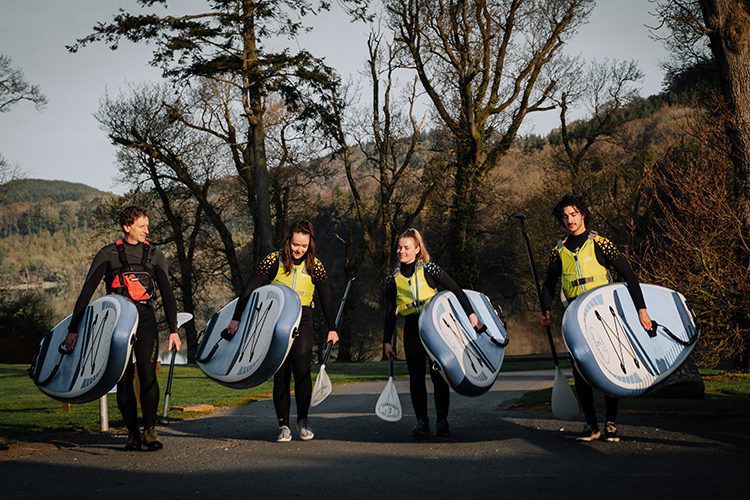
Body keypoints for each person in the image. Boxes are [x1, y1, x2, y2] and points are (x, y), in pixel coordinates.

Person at [63, 205, 180, 451]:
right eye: (142, 226)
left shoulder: (155, 255)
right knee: (123, 378)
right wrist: (73, 329)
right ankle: (131, 434)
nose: (147, 230)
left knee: (147, 374)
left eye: (147, 225)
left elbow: (168, 295)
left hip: (146, 319)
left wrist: (173, 329)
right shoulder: (108, 254)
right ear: (127, 227)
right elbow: (86, 293)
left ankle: (150, 430)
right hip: (118, 323)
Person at [540, 194, 652, 443]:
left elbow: (628, 274)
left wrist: (641, 309)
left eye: (574, 214)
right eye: (565, 216)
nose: (570, 219)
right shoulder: (557, 250)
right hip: (574, 318)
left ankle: (610, 423)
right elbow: (548, 284)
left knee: (611, 367)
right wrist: (545, 310)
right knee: (580, 372)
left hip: (604, 316)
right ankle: (591, 425)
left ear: (583, 215)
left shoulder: (601, 243)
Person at [226, 220, 338, 443]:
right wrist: (236, 318)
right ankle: (283, 425)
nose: (299, 250)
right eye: (296, 244)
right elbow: (249, 288)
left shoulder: (316, 265)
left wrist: (333, 328)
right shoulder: (273, 260)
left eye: (304, 246)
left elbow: (325, 298)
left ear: (310, 245)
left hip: (304, 318)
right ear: (289, 241)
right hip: (277, 321)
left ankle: (303, 421)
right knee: (282, 373)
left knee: (303, 372)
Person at [383, 228, 482, 438]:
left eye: (406, 247)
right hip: (411, 328)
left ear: (417, 249)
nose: (401, 251)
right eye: (399, 247)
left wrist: (471, 315)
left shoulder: (429, 269)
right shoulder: (393, 278)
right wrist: (387, 341)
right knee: (416, 378)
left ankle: (442, 421)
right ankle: (422, 422)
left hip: (435, 328)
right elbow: (391, 311)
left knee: (438, 376)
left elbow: (455, 289)